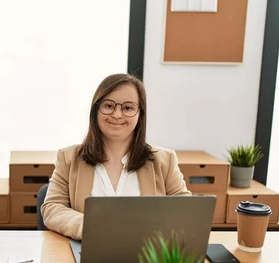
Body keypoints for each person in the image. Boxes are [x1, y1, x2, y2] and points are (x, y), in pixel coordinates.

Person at [41, 73, 190, 240]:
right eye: (109, 106)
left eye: (128, 108)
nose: (117, 115)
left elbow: (185, 210)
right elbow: (52, 207)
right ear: (96, 110)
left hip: (147, 255)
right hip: (88, 251)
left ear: (140, 114)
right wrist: (90, 226)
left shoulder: (165, 160)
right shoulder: (69, 158)